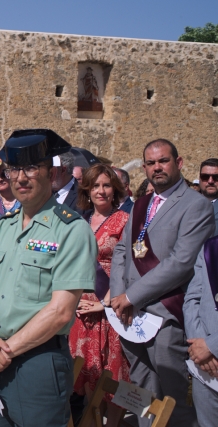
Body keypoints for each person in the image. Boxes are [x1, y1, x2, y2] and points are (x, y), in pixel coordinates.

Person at [0, 129, 97, 426]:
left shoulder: (71, 230)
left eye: (31, 168)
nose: (21, 178)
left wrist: (3, 352)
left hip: (36, 364)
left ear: (51, 173)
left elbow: (61, 310)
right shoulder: (3, 226)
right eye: (13, 169)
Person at [110, 139, 215, 427]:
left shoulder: (196, 205)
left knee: (172, 397)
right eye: (151, 163)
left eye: (163, 161)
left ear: (178, 163)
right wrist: (119, 295)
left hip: (165, 313)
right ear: (144, 167)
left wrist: (131, 296)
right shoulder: (142, 203)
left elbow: (181, 262)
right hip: (129, 314)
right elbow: (122, 249)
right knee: (142, 393)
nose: (157, 167)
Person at [69, 164, 130, 399]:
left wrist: (103, 305)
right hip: (80, 307)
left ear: (115, 190)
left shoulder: (125, 220)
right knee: (82, 373)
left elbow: (129, 269)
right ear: (87, 190)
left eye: (106, 185)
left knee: (111, 379)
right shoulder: (79, 221)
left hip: (110, 306)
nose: (101, 191)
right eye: (95, 186)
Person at [183, 234, 218, 426]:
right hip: (204, 365)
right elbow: (192, 299)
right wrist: (199, 346)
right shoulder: (211, 247)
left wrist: (211, 346)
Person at [197, 158, 218, 236]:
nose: (210, 181)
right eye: (205, 177)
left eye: (216, 177)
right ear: (200, 179)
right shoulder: (184, 203)